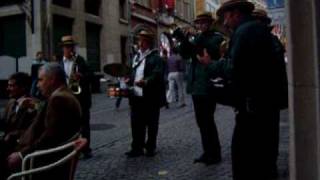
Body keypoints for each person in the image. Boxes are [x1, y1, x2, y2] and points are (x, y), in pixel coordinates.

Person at [201, 0, 288, 179]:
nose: (225, 23)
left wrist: (212, 65)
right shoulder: (259, 31)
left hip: (252, 111)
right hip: (266, 107)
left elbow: (235, 69)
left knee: (244, 162)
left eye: (226, 17)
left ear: (235, 14)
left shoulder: (243, 32)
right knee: (265, 161)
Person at [1, 63, 82, 180]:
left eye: (40, 80)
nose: (37, 85)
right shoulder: (61, 95)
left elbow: (49, 138)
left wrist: (21, 154)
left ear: (52, 79)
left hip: (37, 161)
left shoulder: (59, 99)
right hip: (33, 152)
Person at [173, 12, 224, 165]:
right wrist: (182, 40)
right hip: (196, 85)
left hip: (208, 85)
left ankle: (215, 154)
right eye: (198, 23)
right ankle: (207, 151)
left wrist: (188, 40)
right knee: (201, 121)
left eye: (203, 23)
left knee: (208, 121)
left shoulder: (216, 37)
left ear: (210, 23)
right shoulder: (198, 38)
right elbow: (185, 53)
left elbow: (204, 50)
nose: (200, 26)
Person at [125, 30, 166, 157]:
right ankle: (136, 147)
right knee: (136, 123)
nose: (140, 43)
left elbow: (157, 74)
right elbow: (132, 72)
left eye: (143, 41)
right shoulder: (136, 57)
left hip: (150, 97)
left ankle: (150, 147)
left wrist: (146, 81)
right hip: (136, 96)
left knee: (152, 124)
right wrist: (128, 79)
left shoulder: (156, 57)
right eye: (139, 40)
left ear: (149, 42)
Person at [59, 35, 93, 158]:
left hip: (81, 99)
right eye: (67, 47)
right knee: (69, 126)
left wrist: (81, 76)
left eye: (71, 47)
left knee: (84, 125)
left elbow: (91, 75)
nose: (70, 49)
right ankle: (71, 149)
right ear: (63, 48)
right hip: (66, 99)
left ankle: (86, 149)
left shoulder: (80, 60)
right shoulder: (59, 64)